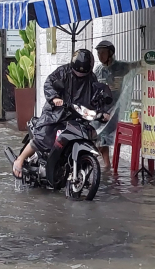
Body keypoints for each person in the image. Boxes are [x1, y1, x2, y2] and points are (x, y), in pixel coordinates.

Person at [12, 49, 110, 177]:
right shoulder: (63, 71)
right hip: (57, 113)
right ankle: (20, 160)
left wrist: (102, 112)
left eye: (83, 73)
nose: (80, 75)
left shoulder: (91, 78)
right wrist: (55, 98)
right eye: (77, 72)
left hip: (79, 115)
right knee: (44, 134)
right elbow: (49, 83)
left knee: (91, 135)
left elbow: (96, 95)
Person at [93, 40, 141, 170]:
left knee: (102, 136)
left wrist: (147, 60)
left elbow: (135, 66)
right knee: (97, 136)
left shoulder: (120, 67)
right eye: (98, 53)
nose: (100, 55)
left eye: (103, 52)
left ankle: (102, 163)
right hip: (101, 109)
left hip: (115, 109)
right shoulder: (98, 70)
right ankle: (107, 165)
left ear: (111, 53)